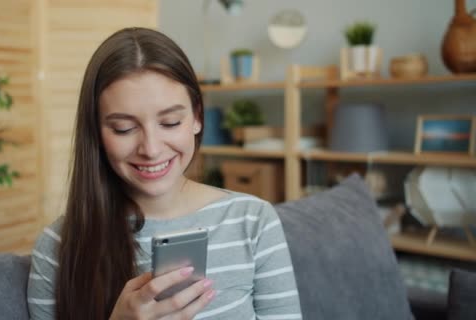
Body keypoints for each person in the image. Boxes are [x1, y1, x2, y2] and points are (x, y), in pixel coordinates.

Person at [27, 27, 302, 320]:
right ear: (96, 130)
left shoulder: (253, 221)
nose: (152, 149)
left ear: (197, 117)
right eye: (124, 128)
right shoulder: (59, 245)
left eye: (170, 122)